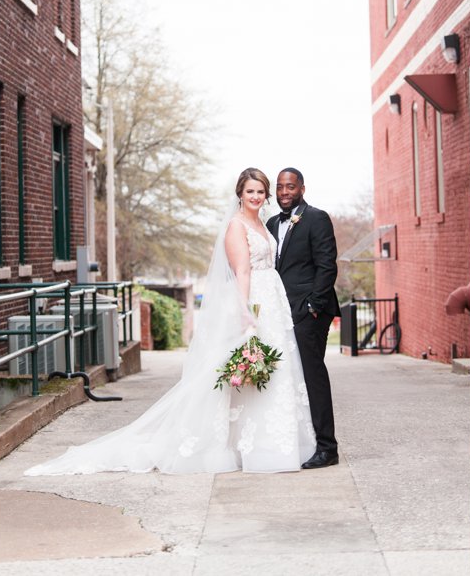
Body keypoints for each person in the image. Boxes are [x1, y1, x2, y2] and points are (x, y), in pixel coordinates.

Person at [25, 168, 317, 475]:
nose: (256, 197)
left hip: (272, 301)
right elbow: (242, 271)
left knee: (271, 373)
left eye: (260, 191)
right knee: (242, 372)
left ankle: (266, 445)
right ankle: (238, 447)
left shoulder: (262, 223)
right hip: (253, 302)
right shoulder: (236, 225)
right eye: (250, 192)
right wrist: (246, 312)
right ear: (240, 195)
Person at [269, 168, 341, 469]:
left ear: (302, 188)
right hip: (280, 310)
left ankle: (328, 448)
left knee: (312, 375)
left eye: (290, 186)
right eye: (280, 187)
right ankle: (301, 440)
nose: (285, 192)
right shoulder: (272, 223)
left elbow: (327, 265)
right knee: (289, 377)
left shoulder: (317, 218)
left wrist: (314, 304)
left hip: (311, 312)